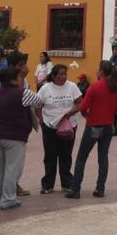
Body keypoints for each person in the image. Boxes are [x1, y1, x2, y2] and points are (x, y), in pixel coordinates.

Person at [0, 53, 37, 210]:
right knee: (11, 169)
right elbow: (39, 102)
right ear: (14, 79)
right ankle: (8, 199)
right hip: (15, 136)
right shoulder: (22, 92)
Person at [65, 61, 117, 199]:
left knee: (81, 158)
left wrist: (87, 116)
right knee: (103, 157)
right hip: (108, 126)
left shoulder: (95, 86)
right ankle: (100, 188)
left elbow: (83, 107)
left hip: (94, 125)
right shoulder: (116, 88)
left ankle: (75, 189)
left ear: (101, 71)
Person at [35, 64, 82, 194]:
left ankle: (67, 183)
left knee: (66, 155)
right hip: (50, 127)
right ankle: (48, 185)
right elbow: (38, 106)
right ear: (54, 76)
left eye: (64, 74)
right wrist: (42, 121)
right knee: (50, 156)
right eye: (60, 74)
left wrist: (70, 112)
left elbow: (79, 102)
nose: (63, 77)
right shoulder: (45, 89)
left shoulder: (72, 86)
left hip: (69, 127)